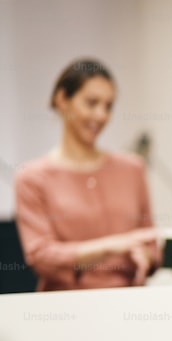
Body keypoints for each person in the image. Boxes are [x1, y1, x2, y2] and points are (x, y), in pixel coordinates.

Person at [14, 59, 159, 291]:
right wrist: (109, 247)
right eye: (91, 103)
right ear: (62, 100)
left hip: (128, 306)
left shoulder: (132, 169)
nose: (101, 115)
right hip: (65, 311)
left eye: (108, 106)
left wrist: (148, 257)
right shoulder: (32, 178)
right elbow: (41, 257)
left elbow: (150, 240)